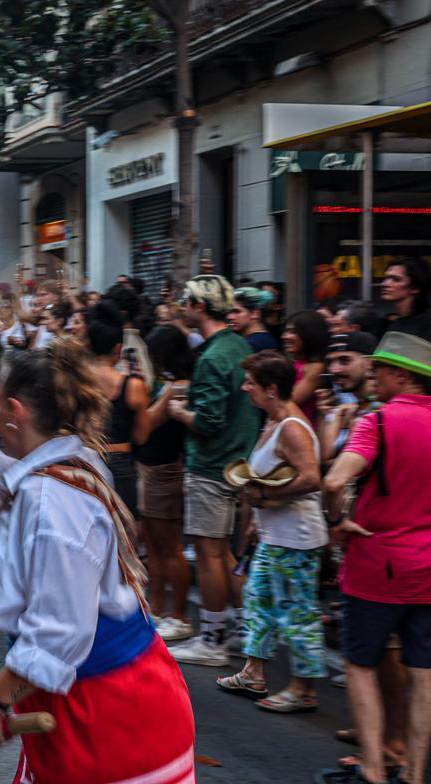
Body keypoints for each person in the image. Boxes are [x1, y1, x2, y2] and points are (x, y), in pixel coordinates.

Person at [0, 341, 195, 784]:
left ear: (15, 411)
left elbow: (57, 634)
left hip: (110, 715)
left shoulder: (52, 499)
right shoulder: (57, 462)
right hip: (88, 705)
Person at [319, 331, 431, 784]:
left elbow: (333, 481)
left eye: (380, 369)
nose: (373, 375)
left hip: (377, 563)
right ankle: (416, 774)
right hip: (428, 566)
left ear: (402, 376)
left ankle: (373, 772)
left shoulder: (378, 421)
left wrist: (337, 518)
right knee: (424, 673)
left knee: (361, 665)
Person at [215, 351, 328, 712]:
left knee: (297, 614)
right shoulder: (273, 420)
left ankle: (303, 690)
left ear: (272, 389)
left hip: (297, 539)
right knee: (258, 603)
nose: (245, 388)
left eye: (251, 383)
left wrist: (265, 495)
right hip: (274, 536)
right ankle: (253, 673)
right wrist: (253, 522)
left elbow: (312, 479)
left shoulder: (292, 427)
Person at [167, 274, 259, 666]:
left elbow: (208, 421)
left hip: (212, 465)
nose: (183, 308)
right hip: (237, 464)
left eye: (186, 301)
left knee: (210, 555)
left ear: (199, 307)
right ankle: (247, 633)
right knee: (223, 554)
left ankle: (213, 639)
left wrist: (178, 411)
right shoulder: (238, 345)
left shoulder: (213, 355)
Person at [135, 325, 195, 642]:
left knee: (169, 546)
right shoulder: (167, 383)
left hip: (166, 470)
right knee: (154, 546)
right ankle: (157, 608)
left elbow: (147, 422)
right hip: (151, 468)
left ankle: (180, 615)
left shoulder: (180, 386)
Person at [87, 300, 148, 516]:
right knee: (124, 539)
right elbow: (141, 436)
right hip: (122, 466)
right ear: (119, 349)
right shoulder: (133, 385)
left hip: (85, 463)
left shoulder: (76, 383)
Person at [316, 332, 379, 462]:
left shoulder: (382, 407)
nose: (334, 370)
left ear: (369, 363)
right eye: (330, 362)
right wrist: (324, 415)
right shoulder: (349, 407)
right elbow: (323, 458)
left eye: (345, 360)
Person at [283, 309, 332, 422]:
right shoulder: (297, 363)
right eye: (286, 331)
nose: (285, 336)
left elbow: (288, 402)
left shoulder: (316, 368)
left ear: (309, 335)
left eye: (293, 332)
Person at [380, 257, 431, 338]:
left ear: (415, 287)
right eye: (386, 278)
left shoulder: (427, 325)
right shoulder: (395, 325)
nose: (384, 284)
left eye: (396, 279)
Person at [228, 287, 280, 352]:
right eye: (229, 312)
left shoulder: (251, 345)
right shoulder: (266, 339)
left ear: (255, 313)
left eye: (237, 311)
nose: (229, 317)